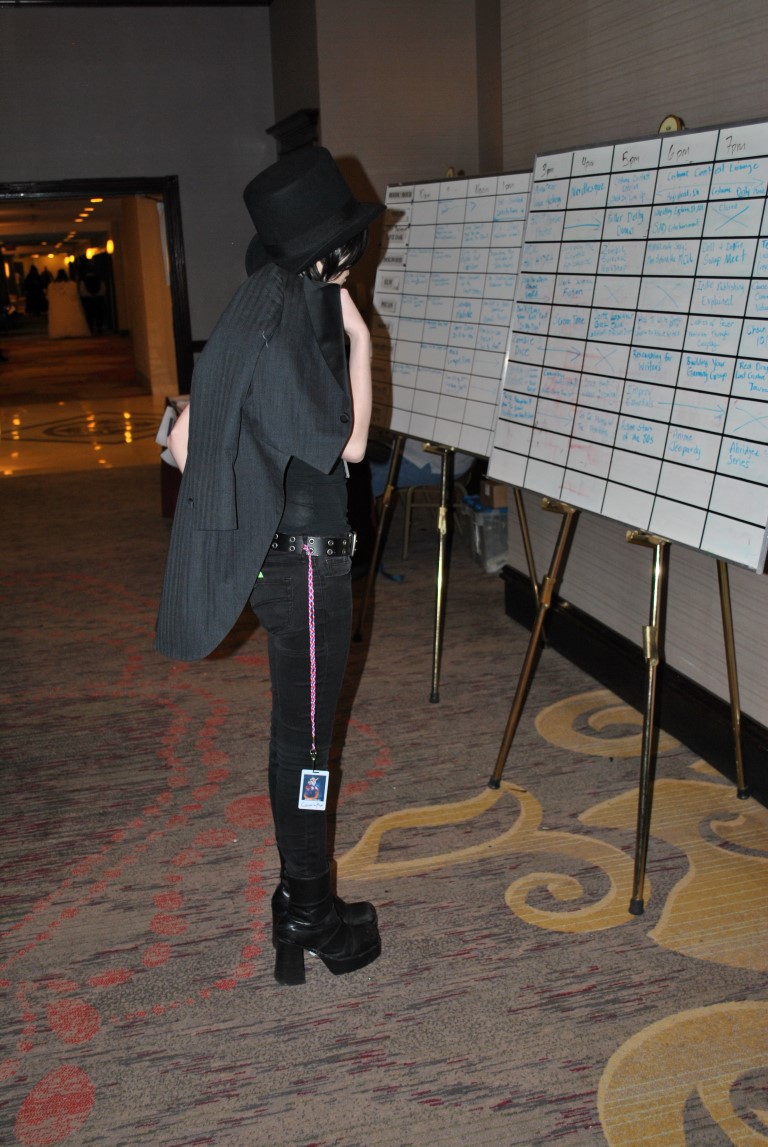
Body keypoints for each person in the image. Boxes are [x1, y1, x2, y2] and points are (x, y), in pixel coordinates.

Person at [155, 147, 385, 985]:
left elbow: (181, 440)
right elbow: (352, 446)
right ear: (334, 254)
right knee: (310, 744)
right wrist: (360, 336)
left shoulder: (257, 307)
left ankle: (304, 894)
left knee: (297, 732)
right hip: (310, 571)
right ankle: (310, 909)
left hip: (275, 564)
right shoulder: (311, 318)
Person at [47, 269, 90, 339]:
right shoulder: (72, 285)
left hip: (57, 306)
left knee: (59, 319)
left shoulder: (52, 286)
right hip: (69, 305)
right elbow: (75, 296)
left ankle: (60, 332)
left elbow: (50, 297)